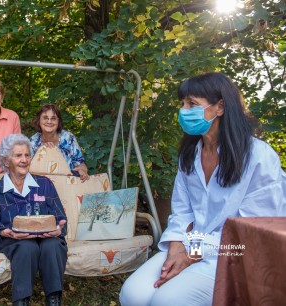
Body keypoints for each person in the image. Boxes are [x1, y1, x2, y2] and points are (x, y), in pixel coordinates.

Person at [119, 72, 286, 306]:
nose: (184, 111)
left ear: (220, 107)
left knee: (168, 301)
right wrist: (177, 246)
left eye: (192, 104)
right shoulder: (190, 154)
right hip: (190, 245)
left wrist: (194, 254)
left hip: (235, 253)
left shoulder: (258, 156)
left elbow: (254, 230)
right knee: (132, 295)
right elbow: (181, 211)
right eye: (183, 104)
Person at [0, 134, 68, 306]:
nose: (24, 160)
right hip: (11, 241)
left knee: (53, 245)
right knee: (27, 247)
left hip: (45, 238)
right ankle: (21, 301)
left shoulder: (44, 184)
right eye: (18, 155)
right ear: (6, 161)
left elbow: (60, 218)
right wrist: (4, 232)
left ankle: (54, 299)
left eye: (27, 155)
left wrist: (59, 229)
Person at [30, 103, 89, 182]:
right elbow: (26, 169)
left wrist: (83, 169)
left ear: (58, 121)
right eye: (45, 118)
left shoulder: (68, 138)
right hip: (42, 187)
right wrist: (40, 151)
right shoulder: (33, 141)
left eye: (53, 118)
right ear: (39, 120)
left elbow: (80, 163)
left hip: (68, 184)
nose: (49, 121)